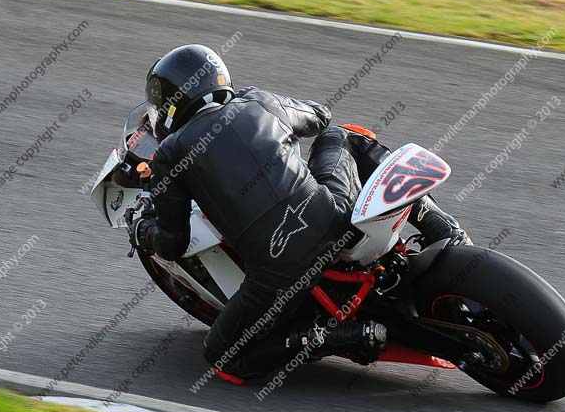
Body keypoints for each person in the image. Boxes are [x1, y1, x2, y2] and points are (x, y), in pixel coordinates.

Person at [130, 44, 464, 383]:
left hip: (278, 272)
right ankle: (440, 225)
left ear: (172, 103)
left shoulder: (169, 155)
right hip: (334, 218)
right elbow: (320, 117)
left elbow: (173, 244)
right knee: (343, 135)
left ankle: (331, 337)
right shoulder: (257, 101)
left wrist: (142, 230)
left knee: (223, 356)